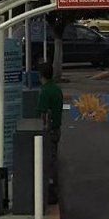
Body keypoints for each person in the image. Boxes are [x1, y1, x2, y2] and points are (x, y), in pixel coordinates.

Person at [37, 61, 64, 203]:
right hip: (57, 129)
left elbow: (43, 113)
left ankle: (51, 192)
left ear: (41, 75)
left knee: (49, 162)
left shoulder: (45, 91)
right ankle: (53, 189)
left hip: (49, 131)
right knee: (53, 159)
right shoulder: (57, 89)